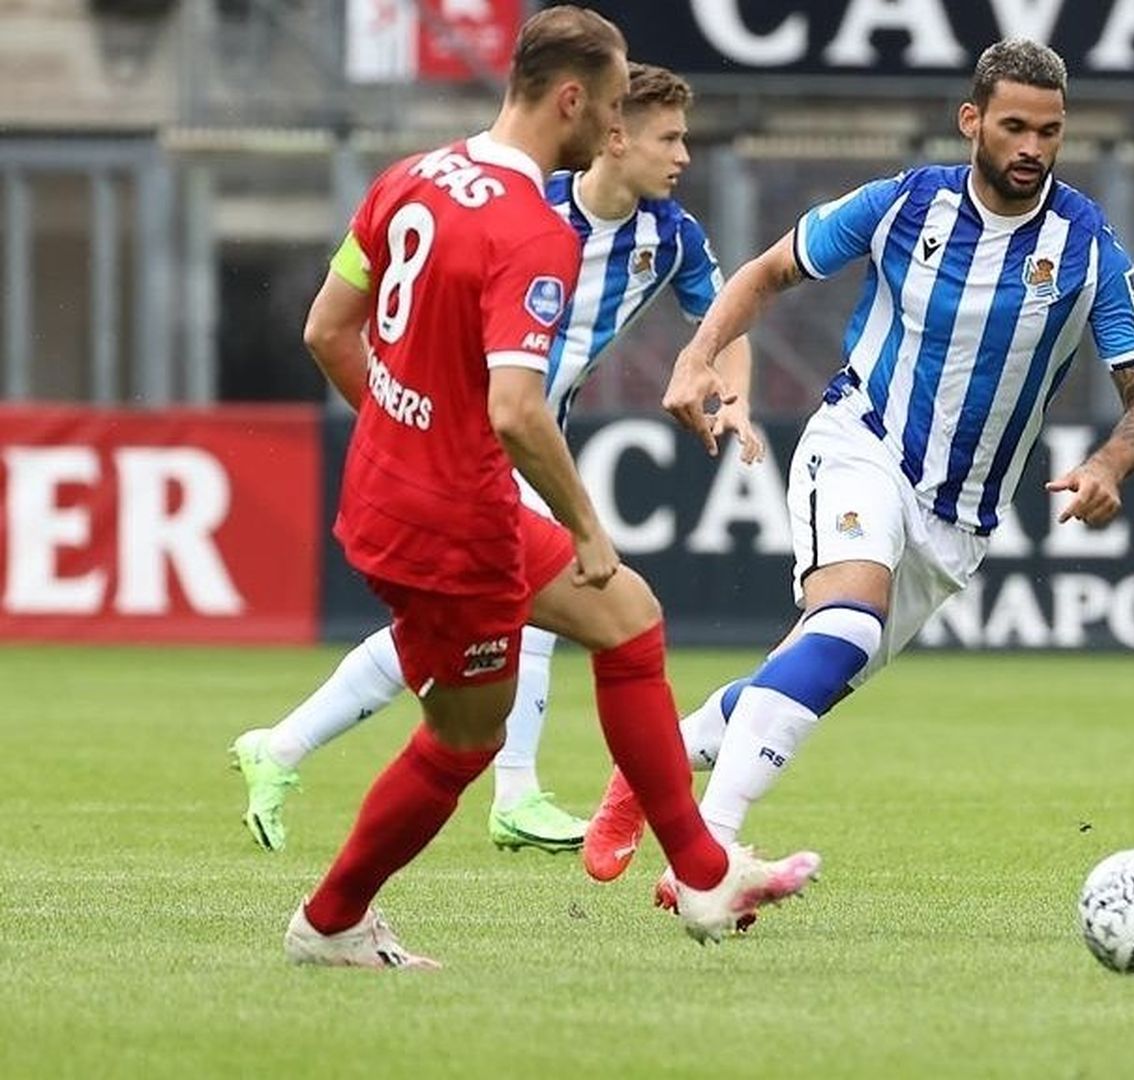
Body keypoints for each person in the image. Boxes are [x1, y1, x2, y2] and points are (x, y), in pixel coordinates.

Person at [280, 7, 815, 969]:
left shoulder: (412, 176)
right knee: (473, 730)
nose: (614, 127)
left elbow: (327, 330)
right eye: (610, 108)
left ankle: (699, 870)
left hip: (390, 493)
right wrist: (584, 524)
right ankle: (329, 921)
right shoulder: (532, 230)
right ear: (570, 99)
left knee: (616, 629)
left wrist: (405, 435)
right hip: (455, 524)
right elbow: (519, 411)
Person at [579, 39, 1134, 896]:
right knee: (849, 625)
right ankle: (708, 856)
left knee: (817, 669)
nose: (1032, 148)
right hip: (859, 443)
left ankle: (653, 765)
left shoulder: (1086, 249)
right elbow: (771, 270)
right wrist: (699, 355)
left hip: (957, 521)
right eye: (1013, 126)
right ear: (971, 121)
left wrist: (1111, 466)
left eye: (1049, 131)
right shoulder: (905, 204)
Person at [227, 61, 759, 858]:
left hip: (529, 433)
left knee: (456, 632)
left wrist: (732, 391)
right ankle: (516, 794)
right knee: (557, 595)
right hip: (476, 432)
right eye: (670, 137)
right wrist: (404, 418)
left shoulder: (671, 237)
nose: (685, 155)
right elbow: (352, 323)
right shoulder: (528, 208)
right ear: (613, 136)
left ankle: (283, 746)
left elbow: (727, 320)